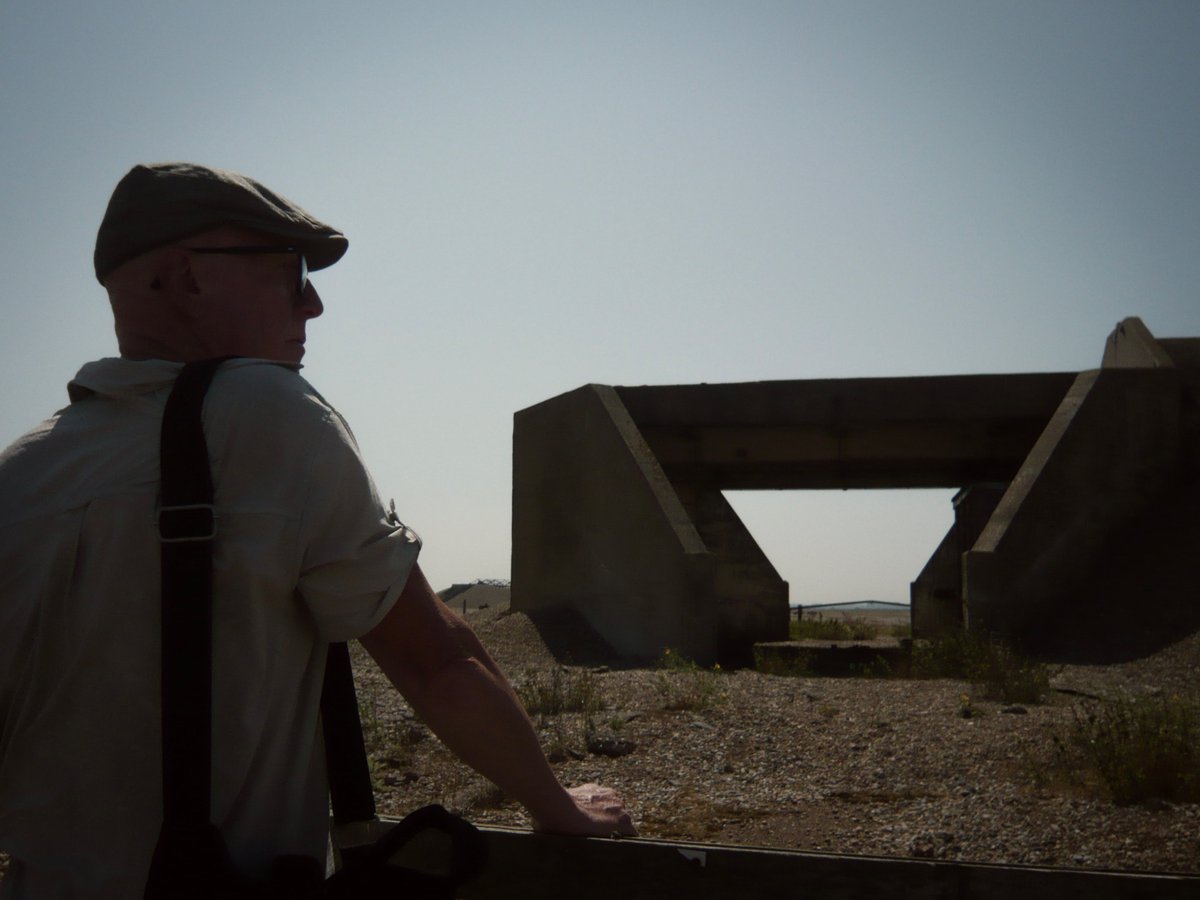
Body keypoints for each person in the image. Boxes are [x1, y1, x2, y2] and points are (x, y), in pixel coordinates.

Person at [0, 162, 634, 898]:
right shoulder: (266, 410)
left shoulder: (27, 468)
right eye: (289, 272)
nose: (314, 302)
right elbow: (435, 661)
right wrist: (558, 807)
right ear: (186, 277)